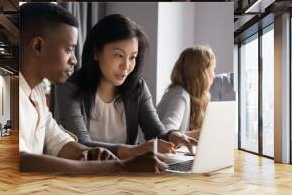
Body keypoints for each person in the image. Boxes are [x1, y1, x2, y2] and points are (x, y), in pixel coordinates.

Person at [19, 2, 167, 173]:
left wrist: (95, 155)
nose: (74, 60)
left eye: (132, 57)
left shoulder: (36, 92)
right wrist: (120, 166)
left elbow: (59, 142)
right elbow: (22, 160)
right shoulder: (14, 96)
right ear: (38, 46)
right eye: (69, 50)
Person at [57, 14, 196, 160]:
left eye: (132, 57)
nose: (126, 66)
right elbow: (81, 145)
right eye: (118, 55)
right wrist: (135, 150)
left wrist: (172, 135)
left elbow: (155, 132)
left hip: (127, 172)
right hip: (85, 174)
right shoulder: (69, 88)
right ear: (96, 52)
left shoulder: (138, 88)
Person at [157, 46, 216, 141]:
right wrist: (200, 134)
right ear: (199, 74)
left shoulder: (185, 94)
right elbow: (166, 134)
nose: (213, 75)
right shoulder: (180, 95)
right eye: (210, 70)